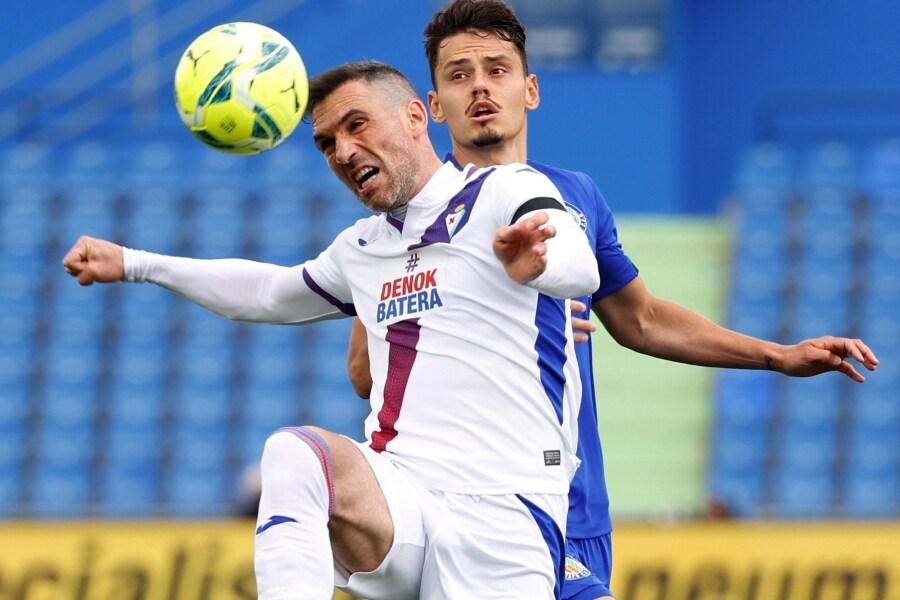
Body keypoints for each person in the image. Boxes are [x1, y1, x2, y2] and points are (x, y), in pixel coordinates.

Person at [344, 2, 881, 599]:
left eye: (497, 70)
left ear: (531, 89)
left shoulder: (575, 196)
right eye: (459, 74)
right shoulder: (409, 215)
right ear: (435, 105)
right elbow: (365, 373)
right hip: (468, 503)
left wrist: (777, 355)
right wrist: (485, 316)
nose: (480, 87)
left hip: (577, 505)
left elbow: (642, 320)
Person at [63, 61, 600, 599]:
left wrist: (542, 264)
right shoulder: (361, 248)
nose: (342, 152)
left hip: (501, 511)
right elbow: (267, 293)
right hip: (402, 497)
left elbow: (581, 266)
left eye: (356, 125)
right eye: (326, 142)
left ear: (416, 116)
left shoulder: (504, 189)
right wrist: (134, 263)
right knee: (294, 454)